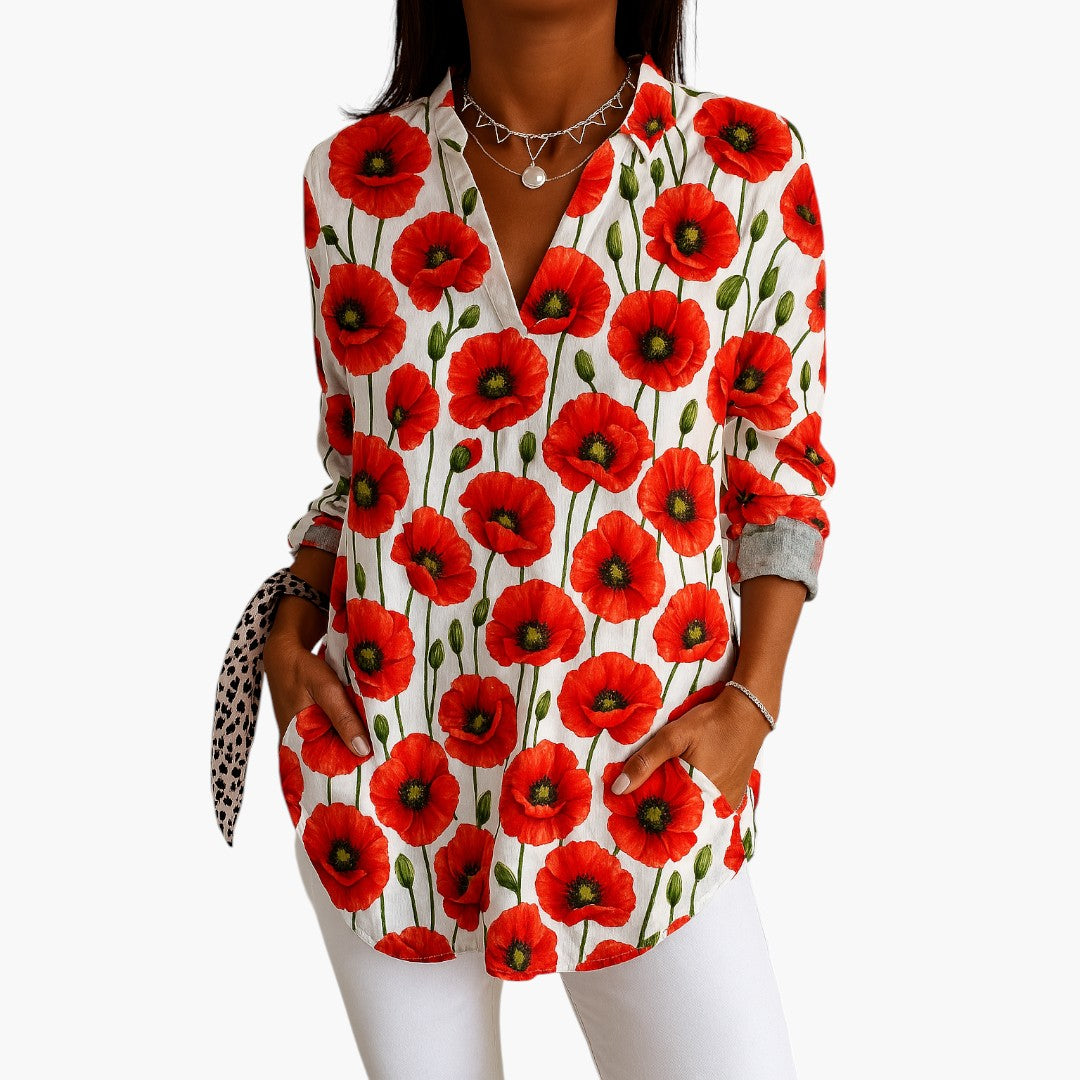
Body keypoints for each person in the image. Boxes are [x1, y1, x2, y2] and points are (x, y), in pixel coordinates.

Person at [217, 1, 834, 1076]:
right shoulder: (351, 182)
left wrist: (754, 704)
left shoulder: (746, 163)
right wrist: (290, 625)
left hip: (645, 778)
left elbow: (780, 479)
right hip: (390, 777)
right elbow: (360, 465)